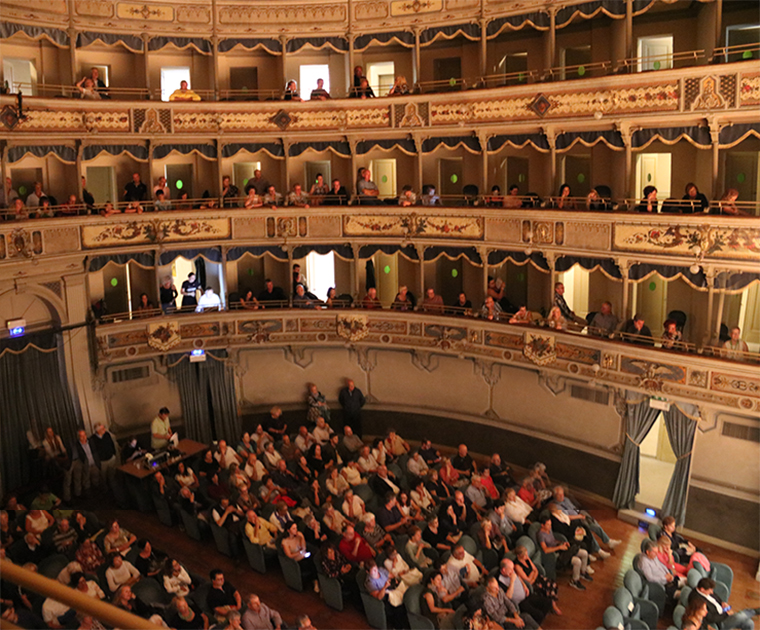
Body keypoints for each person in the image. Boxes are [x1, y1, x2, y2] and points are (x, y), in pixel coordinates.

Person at [536, 516, 590, 591]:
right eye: (548, 525)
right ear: (542, 525)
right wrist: (559, 547)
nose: (550, 527)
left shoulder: (549, 530)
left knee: (584, 553)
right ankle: (574, 581)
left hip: (559, 549)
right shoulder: (541, 535)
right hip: (556, 555)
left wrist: (562, 543)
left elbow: (553, 541)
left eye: (550, 524)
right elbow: (545, 550)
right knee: (577, 561)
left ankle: (583, 572)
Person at [497, 558, 553, 626]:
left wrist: (524, 586)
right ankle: (535, 624)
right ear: (503, 570)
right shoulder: (500, 581)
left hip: (527, 595)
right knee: (539, 614)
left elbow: (519, 578)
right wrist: (512, 581)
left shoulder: (510, 572)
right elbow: (508, 597)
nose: (513, 570)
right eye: (511, 569)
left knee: (549, 602)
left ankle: (537, 621)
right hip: (520, 603)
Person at [687, 577, 759, 630]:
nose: (712, 592)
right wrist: (726, 614)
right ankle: (754, 611)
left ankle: (752, 612)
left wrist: (722, 603)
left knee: (749, 623)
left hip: (723, 611)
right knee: (740, 616)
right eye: (710, 590)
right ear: (702, 589)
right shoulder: (696, 600)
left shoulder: (704, 590)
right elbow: (710, 618)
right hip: (720, 621)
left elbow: (715, 597)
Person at [365, 560, 410, 629]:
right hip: (385, 597)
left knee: (407, 598)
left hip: (392, 589)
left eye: (376, 568)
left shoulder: (380, 570)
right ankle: (399, 627)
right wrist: (384, 587)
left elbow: (391, 575)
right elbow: (379, 597)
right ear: (367, 572)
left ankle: (408, 625)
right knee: (399, 608)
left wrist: (393, 579)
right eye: (373, 570)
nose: (376, 571)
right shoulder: (370, 582)